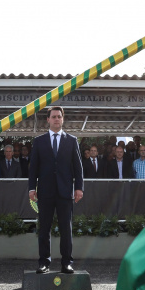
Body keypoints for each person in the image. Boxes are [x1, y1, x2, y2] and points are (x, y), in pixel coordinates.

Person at [28, 106, 83, 274]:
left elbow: (78, 167)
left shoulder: (72, 140)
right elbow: (33, 168)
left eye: (59, 116)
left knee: (66, 229)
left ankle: (67, 262)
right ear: (48, 120)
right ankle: (44, 262)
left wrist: (79, 188)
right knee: (44, 229)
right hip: (45, 192)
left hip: (65, 192)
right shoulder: (39, 141)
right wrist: (31, 188)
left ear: (63, 119)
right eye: (54, 116)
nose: (57, 119)